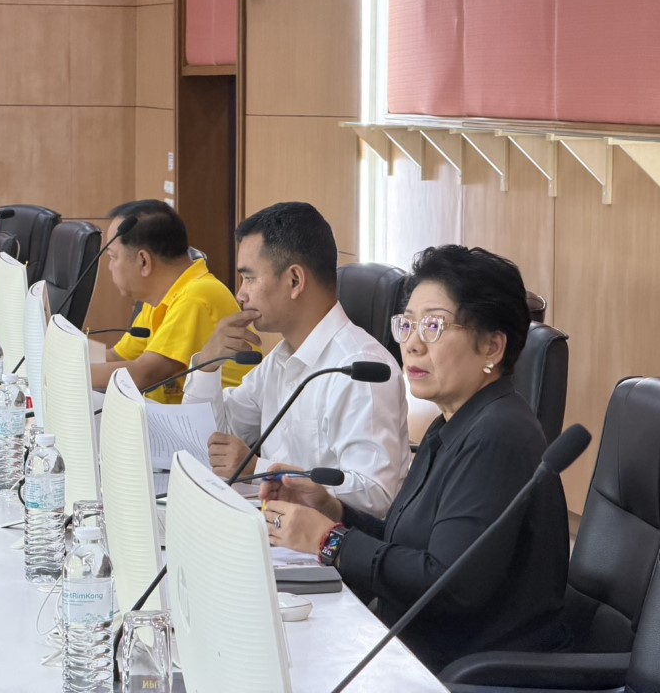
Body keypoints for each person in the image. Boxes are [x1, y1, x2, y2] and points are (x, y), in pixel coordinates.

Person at [259, 244, 570, 672]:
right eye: (407, 325)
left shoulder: (499, 437)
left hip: (462, 671)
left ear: (492, 347)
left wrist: (329, 540)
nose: (412, 344)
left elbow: (446, 584)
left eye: (434, 326)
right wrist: (333, 511)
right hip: (410, 647)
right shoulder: (453, 422)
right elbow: (409, 545)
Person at [182, 202, 410, 518]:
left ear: (294, 281)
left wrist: (258, 469)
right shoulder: (281, 358)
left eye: (249, 278)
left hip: (329, 546)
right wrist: (208, 365)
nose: (240, 295)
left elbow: (375, 495)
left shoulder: (359, 369)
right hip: (274, 528)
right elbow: (212, 441)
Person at [91, 200, 251, 403]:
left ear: (143, 261)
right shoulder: (161, 296)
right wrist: (68, 355)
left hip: (222, 420)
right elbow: (117, 357)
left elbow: (144, 375)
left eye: (113, 257)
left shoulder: (196, 296)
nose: (110, 267)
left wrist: (69, 373)